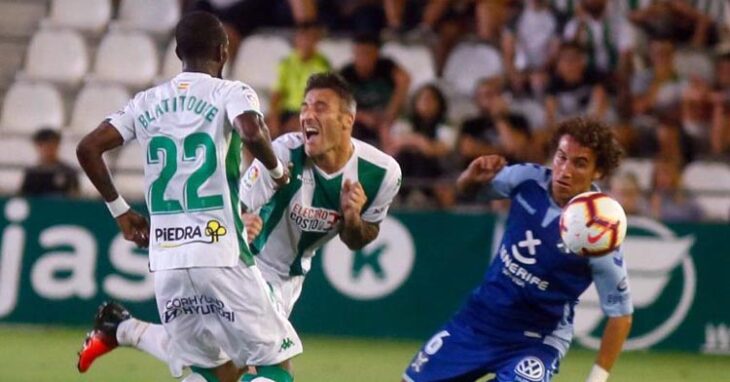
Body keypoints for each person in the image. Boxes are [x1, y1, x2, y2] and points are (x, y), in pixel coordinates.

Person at [78, 72, 402, 379]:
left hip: (290, 277)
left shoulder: (382, 173)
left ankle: (120, 328)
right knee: (243, 365)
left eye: (320, 107)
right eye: (304, 106)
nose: (307, 115)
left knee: (218, 365)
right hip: (248, 264)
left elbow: (358, 239)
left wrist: (353, 217)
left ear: (348, 120)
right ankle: (120, 329)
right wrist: (240, 221)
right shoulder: (284, 153)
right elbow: (241, 203)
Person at [75, 11, 301, 382]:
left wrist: (120, 211)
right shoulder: (231, 92)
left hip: (168, 265)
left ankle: (122, 330)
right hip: (221, 254)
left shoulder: (145, 102)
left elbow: (87, 149)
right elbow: (250, 128)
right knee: (276, 366)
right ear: (223, 52)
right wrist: (277, 171)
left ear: (178, 51)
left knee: (212, 372)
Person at [403, 117, 633, 382]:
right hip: (479, 321)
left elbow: (621, 316)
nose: (565, 170)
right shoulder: (527, 179)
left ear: (599, 171)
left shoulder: (599, 233)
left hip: (535, 341)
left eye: (579, 163)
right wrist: (471, 176)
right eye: (561, 157)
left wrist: (596, 378)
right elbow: (467, 191)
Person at [340, 32, 410, 148]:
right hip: (358, 119)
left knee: (394, 134)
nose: (364, 58)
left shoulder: (387, 66)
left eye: (368, 53)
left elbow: (405, 80)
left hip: (387, 119)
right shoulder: (346, 73)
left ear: (377, 53)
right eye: (360, 53)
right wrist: (362, 116)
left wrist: (390, 114)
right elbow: (338, 105)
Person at [268, 21, 330, 137]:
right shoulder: (286, 62)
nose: (306, 42)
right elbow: (277, 93)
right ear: (296, 40)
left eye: (310, 38)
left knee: (299, 128)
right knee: (256, 130)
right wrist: (273, 116)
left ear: (315, 41)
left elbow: (321, 97)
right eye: (303, 38)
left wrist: (302, 114)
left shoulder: (322, 65)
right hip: (286, 110)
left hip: (309, 110)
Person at [20, 128, 79, 197]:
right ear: (37, 147)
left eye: (51, 145)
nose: (47, 149)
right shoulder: (32, 173)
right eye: (43, 145)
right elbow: (25, 196)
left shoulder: (68, 172)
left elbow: (74, 197)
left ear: (57, 145)